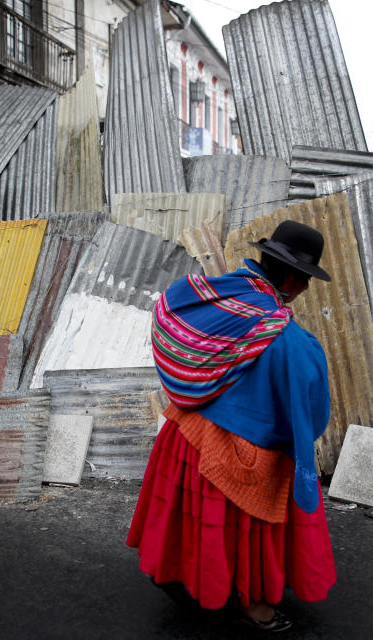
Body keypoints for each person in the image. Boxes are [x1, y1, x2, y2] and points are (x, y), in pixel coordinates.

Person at [127, 220, 337, 632]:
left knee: (186, 521)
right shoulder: (288, 340)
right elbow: (309, 417)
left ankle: (176, 573)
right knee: (236, 533)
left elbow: (166, 313)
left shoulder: (211, 298)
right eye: (307, 280)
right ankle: (245, 601)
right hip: (233, 453)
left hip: (185, 433)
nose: (306, 290)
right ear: (293, 278)